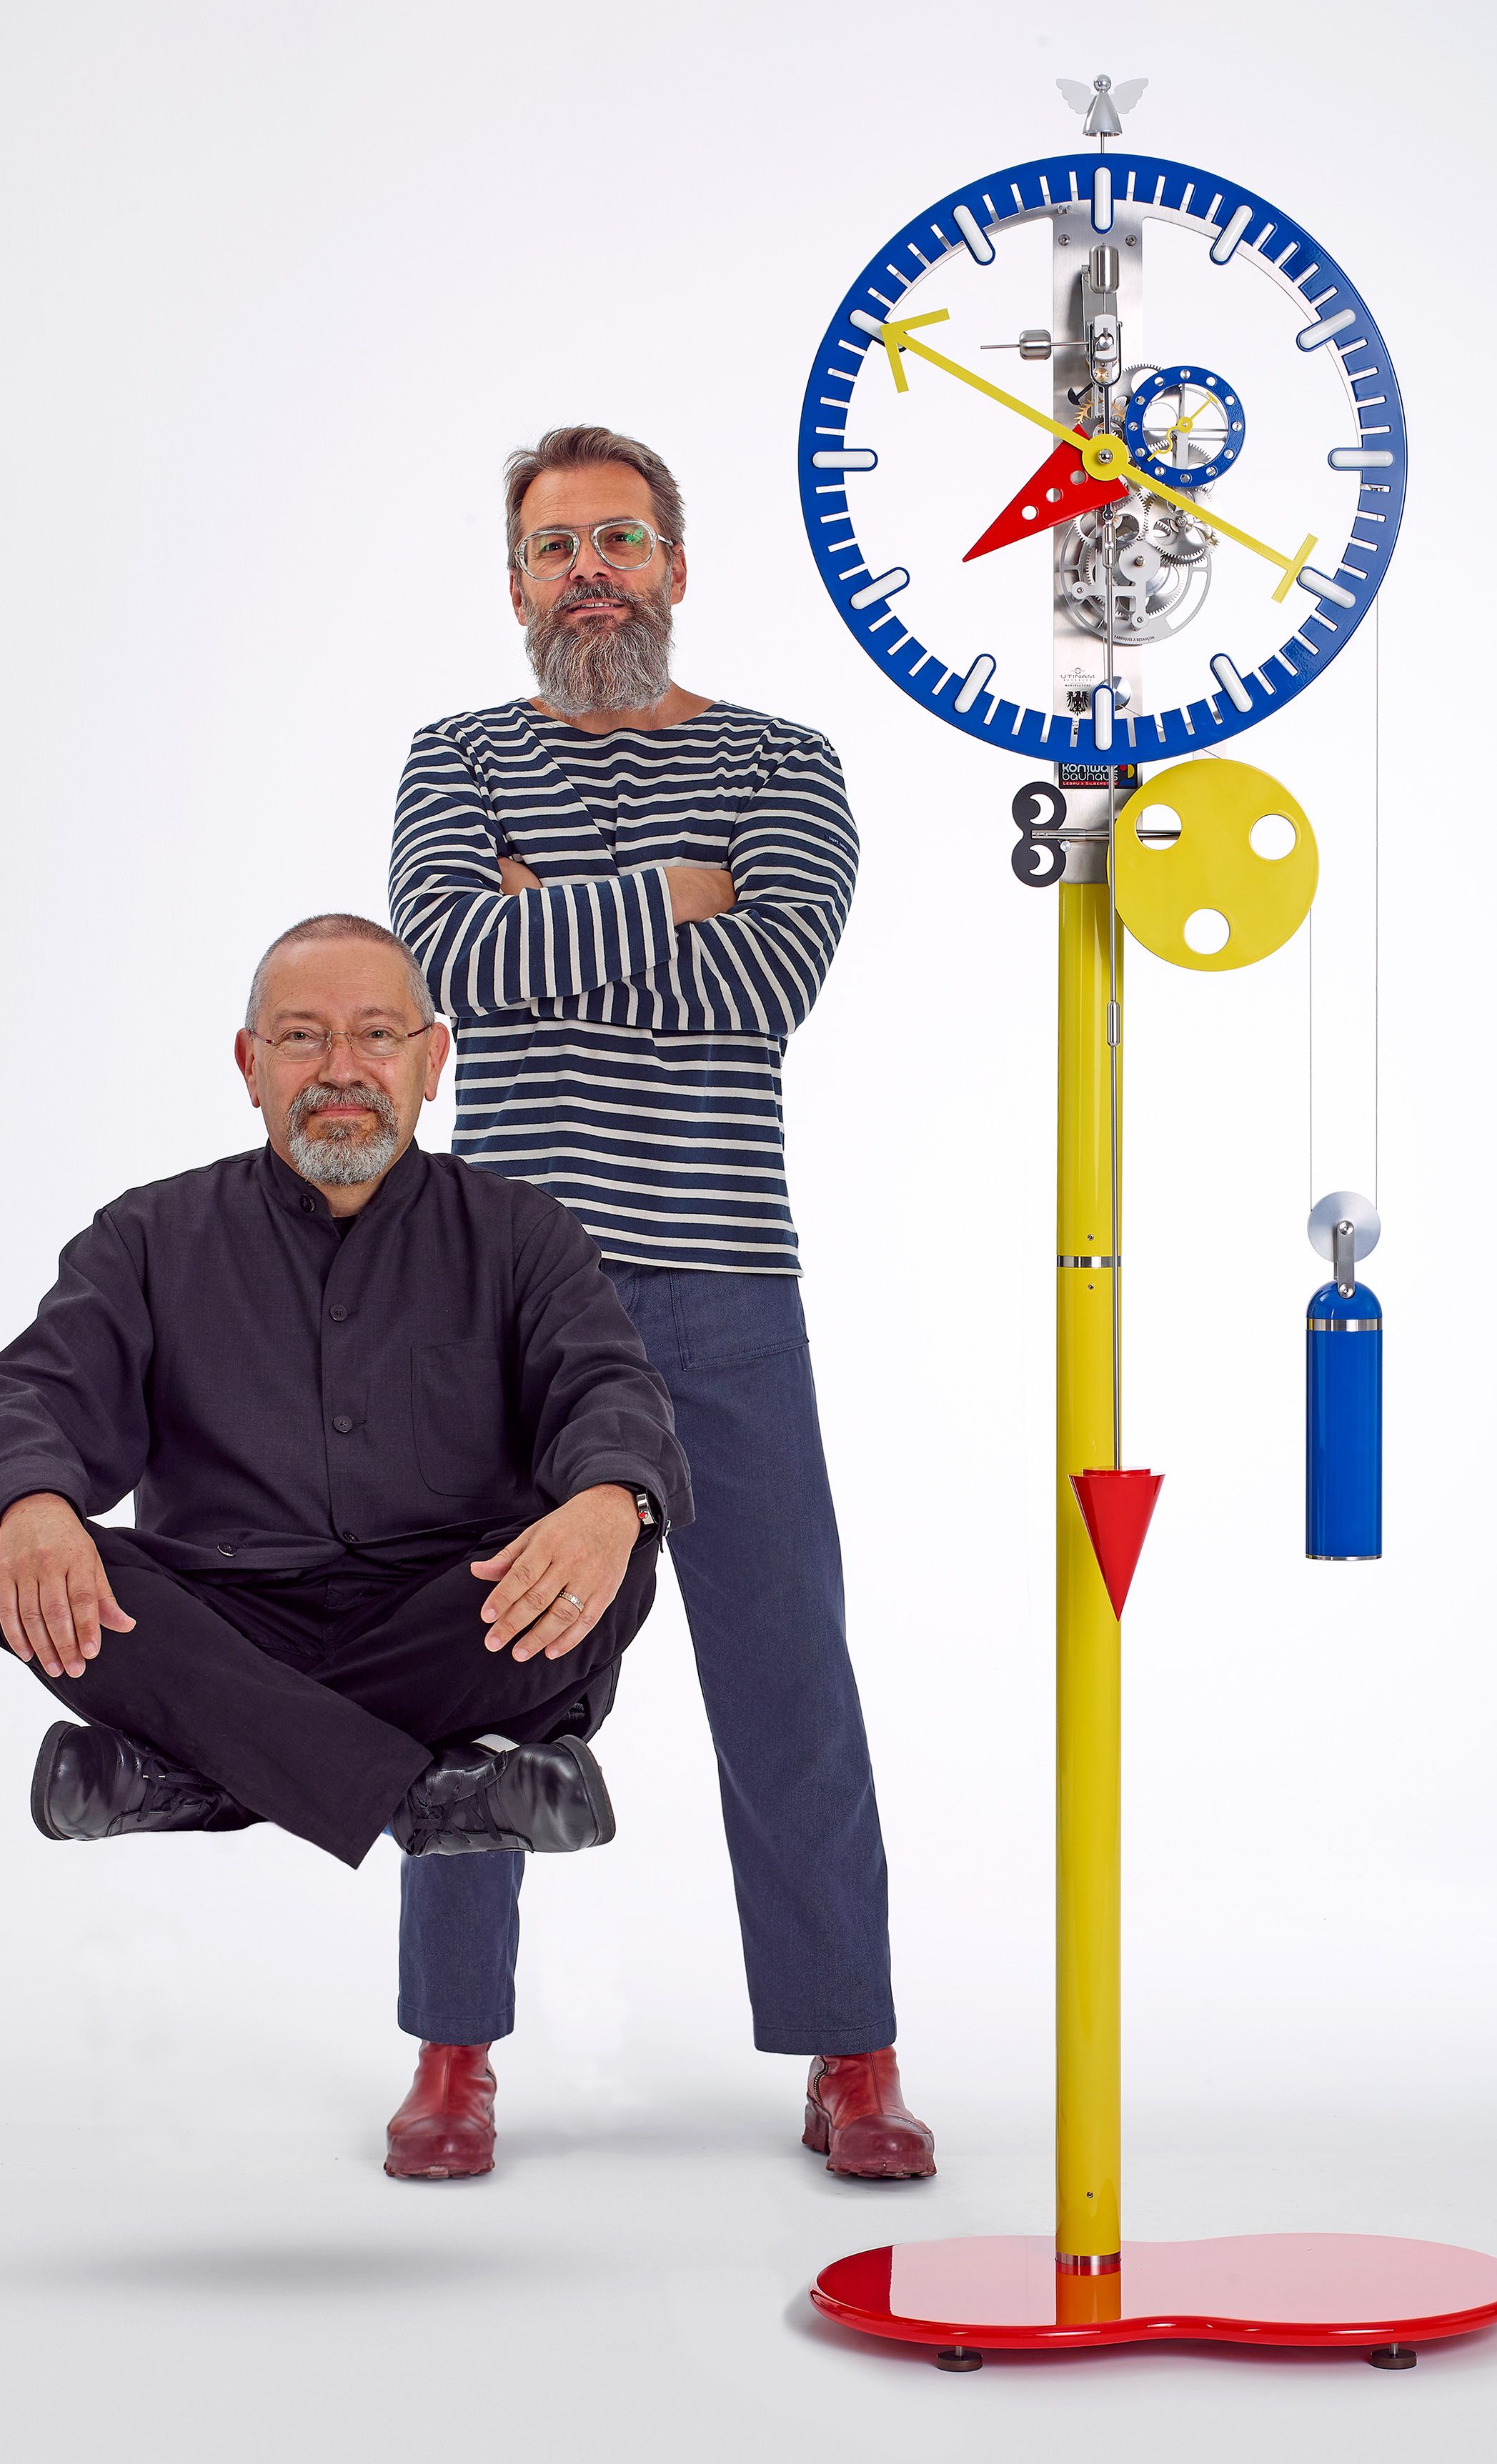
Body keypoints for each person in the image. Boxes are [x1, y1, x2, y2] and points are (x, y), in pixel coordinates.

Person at [384, 424, 934, 2184]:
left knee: (784, 1671)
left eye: (618, 540)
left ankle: (852, 2052)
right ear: (515, 586)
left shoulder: (782, 762)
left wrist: (555, 913)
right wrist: (671, 895)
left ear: (676, 567)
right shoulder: (455, 758)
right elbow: (448, 967)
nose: (589, 574)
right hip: (504, 1298)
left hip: (720, 1281)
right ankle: (452, 2056)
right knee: (475, 1671)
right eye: (556, 549)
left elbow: (764, 984)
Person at [0, 914, 690, 1877]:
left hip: (449, 1618)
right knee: (7, 1551)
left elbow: (606, 1386)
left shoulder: (523, 1233)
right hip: (218, 1621)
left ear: (433, 1060)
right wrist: (33, 1505)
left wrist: (611, 1498)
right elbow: (32, 1395)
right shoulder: (146, 1236)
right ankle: (434, 1794)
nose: (342, 1068)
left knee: (617, 1549)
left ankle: (199, 1774)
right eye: (302, 1036)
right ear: (250, 1065)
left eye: (377, 1034)